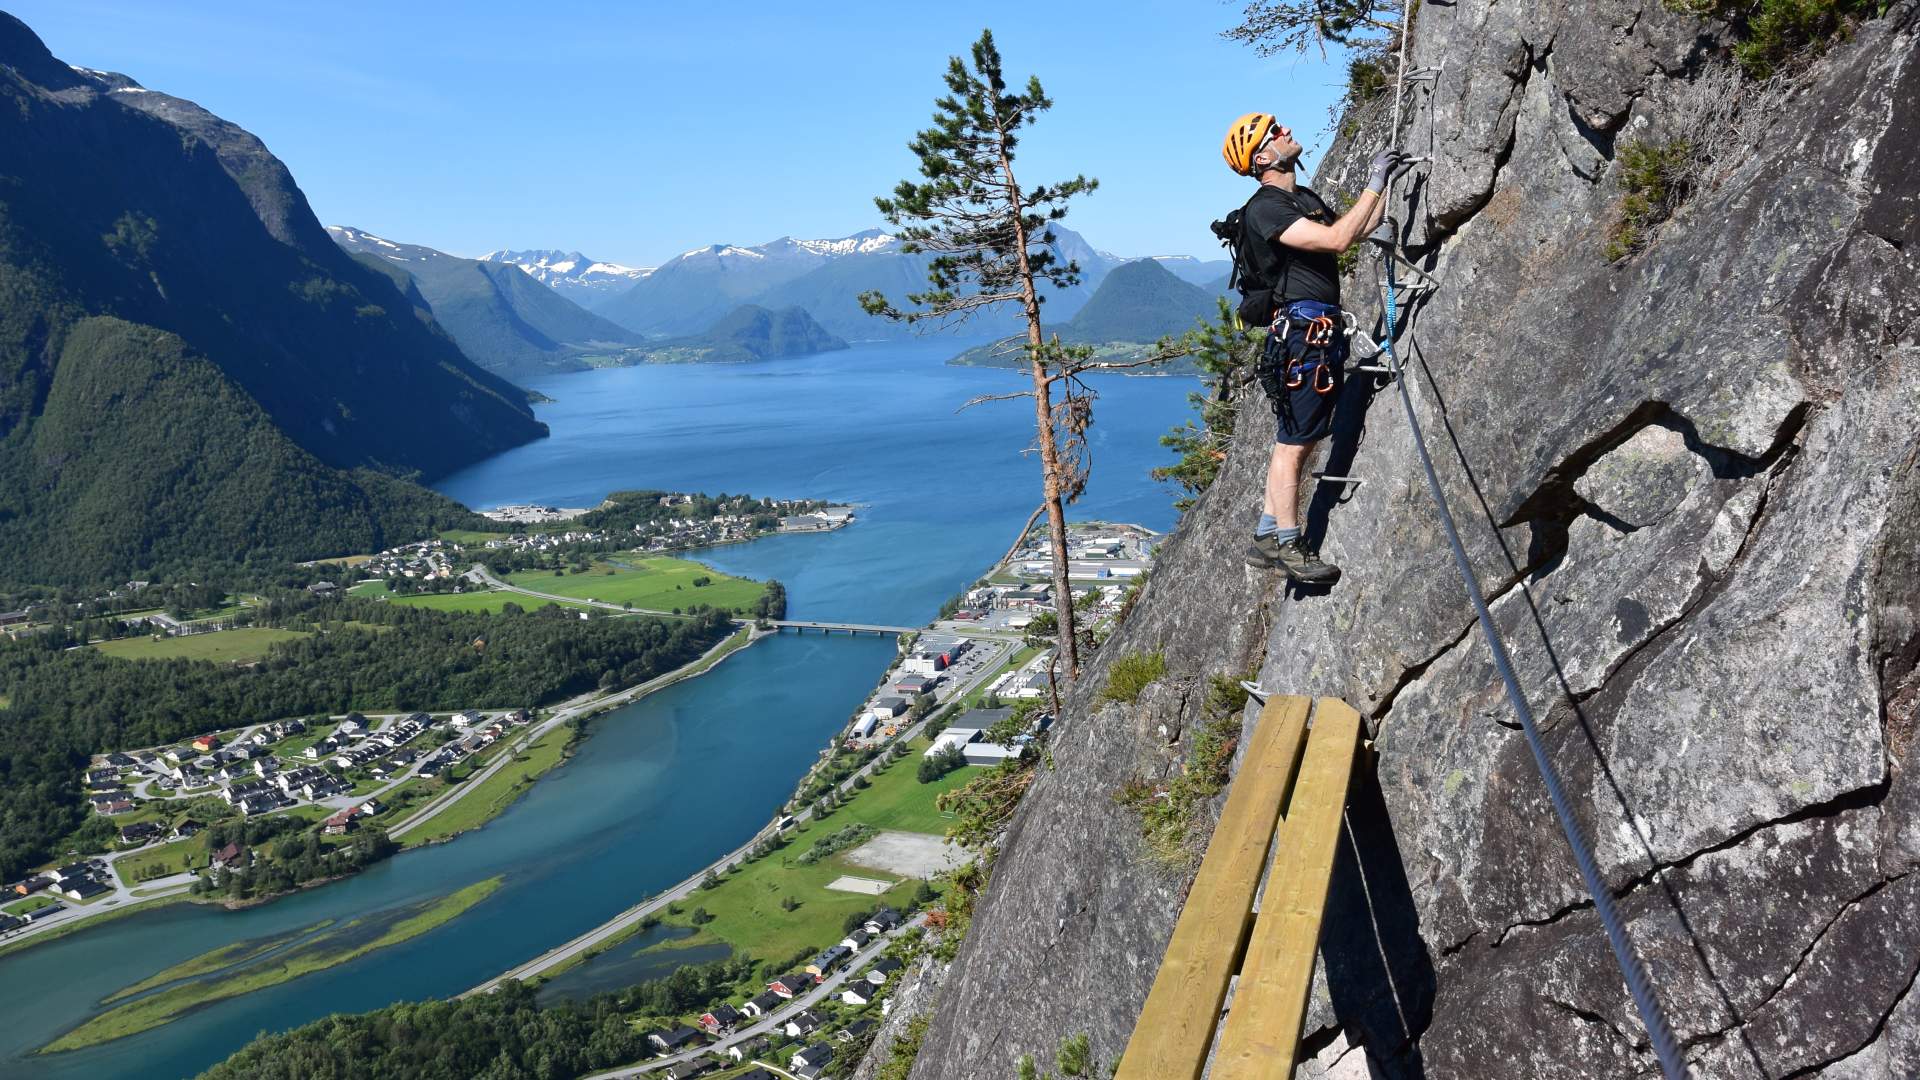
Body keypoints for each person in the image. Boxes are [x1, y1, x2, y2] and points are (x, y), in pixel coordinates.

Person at [1220, 112, 1406, 584]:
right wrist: (1375, 180)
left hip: (1316, 333)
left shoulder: (1301, 199)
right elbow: (1337, 240)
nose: (1285, 132)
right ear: (1263, 159)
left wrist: (1384, 191)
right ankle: (1289, 544)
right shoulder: (1266, 208)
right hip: (1303, 337)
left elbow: (1352, 228)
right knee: (1295, 443)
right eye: (1274, 134)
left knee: (1297, 437)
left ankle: (1266, 535)